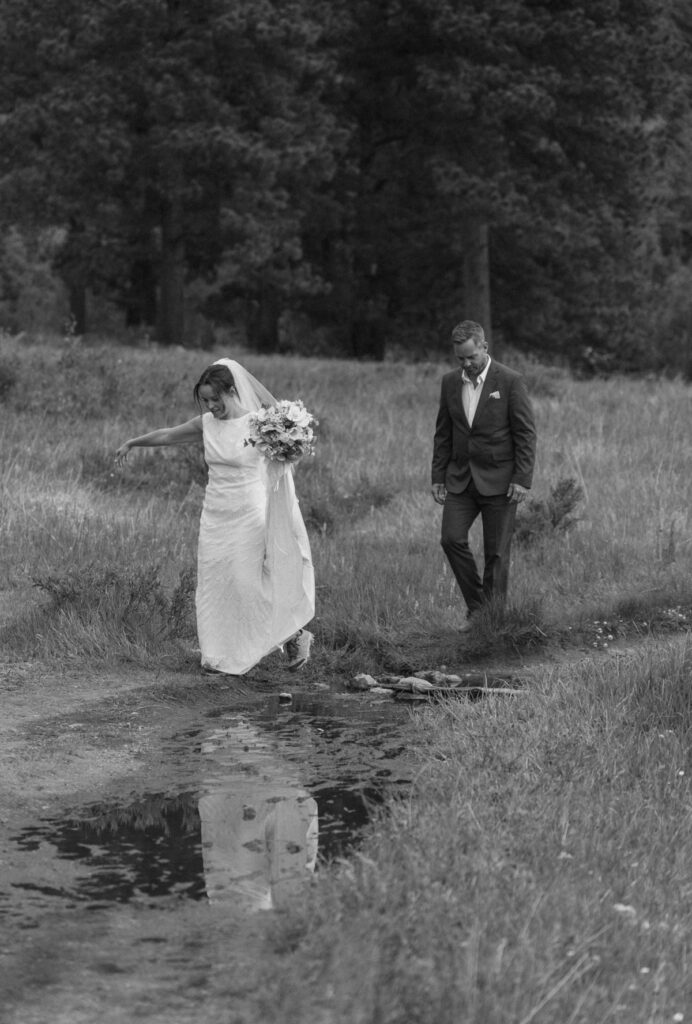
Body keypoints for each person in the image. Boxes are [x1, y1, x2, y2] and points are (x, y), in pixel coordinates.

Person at [115, 358, 315, 674]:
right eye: (205, 400)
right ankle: (217, 654)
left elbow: (289, 458)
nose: (211, 406)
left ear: (231, 391)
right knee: (214, 582)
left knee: (244, 582)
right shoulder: (206, 423)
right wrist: (133, 442)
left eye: (215, 399)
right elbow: (168, 435)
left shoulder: (260, 424)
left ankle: (295, 634)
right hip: (215, 514)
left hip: (249, 513)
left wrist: (292, 448)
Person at [431, 321, 536, 627]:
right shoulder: (450, 382)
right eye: (460, 359)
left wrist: (522, 478)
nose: (466, 364)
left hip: (502, 481)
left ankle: (493, 622)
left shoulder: (511, 381)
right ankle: (478, 607)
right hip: (461, 479)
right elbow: (443, 433)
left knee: (497, 554)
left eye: (471, 357)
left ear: (484, 348)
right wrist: (438, 476)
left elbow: (526, 434)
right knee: (451, 539)